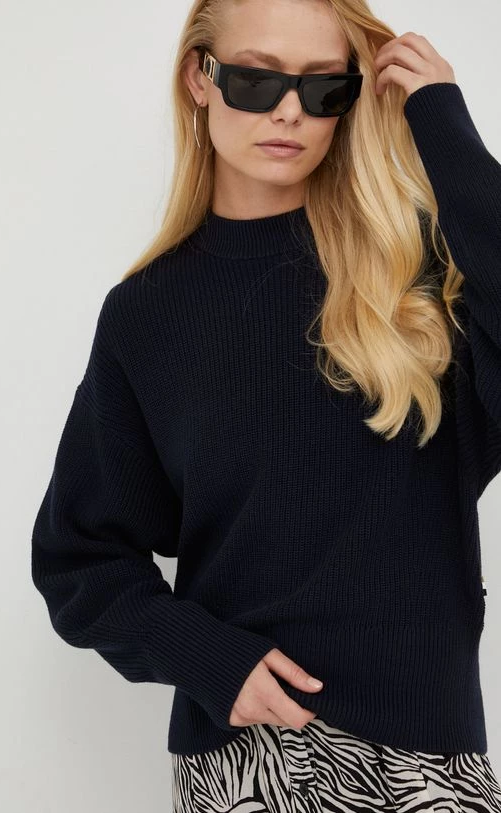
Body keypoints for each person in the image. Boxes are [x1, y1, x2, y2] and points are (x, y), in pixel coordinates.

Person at [31, 0, 501, 810]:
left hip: (423, 768)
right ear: (199, 78)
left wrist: (442, 123)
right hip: (239, 771)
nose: (289, 111)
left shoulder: (418, 277)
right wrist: (206, 658)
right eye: (256, 79)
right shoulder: (148, 314)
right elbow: (79, 558)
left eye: (324, 88)